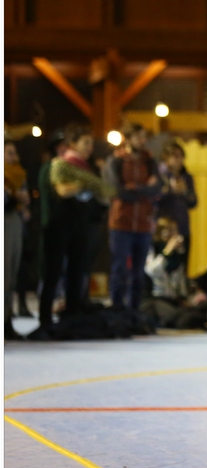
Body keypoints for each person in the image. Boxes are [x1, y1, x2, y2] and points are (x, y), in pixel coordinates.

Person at [35, 125, 116, 340]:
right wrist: (88, 183)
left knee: (76, 273)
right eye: (85, 143)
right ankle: (45, 319)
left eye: (91, 143)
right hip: (57, 227)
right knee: (52, 274)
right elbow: (62, 191)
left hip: (80, 227)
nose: (90, 148)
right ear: (70, 145)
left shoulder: (85, 169)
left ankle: (72, 317)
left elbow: (104, 196)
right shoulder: (58, 166)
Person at [104, 123, 161, 313]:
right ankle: (117, 308)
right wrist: (144, 189)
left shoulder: (149, 161)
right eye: (138, 137)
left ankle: (134, 311)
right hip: (121, 223)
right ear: (128, 138)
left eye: (144, 137)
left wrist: (133, 188)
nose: (142, 141)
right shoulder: (116, 161)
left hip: (143, 224)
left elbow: (157, 188)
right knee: (119, 268)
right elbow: (117, 191)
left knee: (138, 271)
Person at [4, 141, 31, 340]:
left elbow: (24, 199)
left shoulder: (18, 174)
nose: (14, 157)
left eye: (15, 153)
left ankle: (7, 321)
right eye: (9, 153)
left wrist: (20, 200)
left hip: (14, 222)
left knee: (11, 274)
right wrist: (12, 197)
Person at [156, 141, 197, 264]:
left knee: (182, 264)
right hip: (164, 228)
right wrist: (170, 191)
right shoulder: (159, 175)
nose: (179, 160)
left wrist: (185, 192)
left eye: (181, 156)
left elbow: (194, 202)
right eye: (175, 156)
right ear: (166, 157)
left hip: (182, 227)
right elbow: (153, 200)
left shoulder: (186, 177)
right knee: (163, 261)